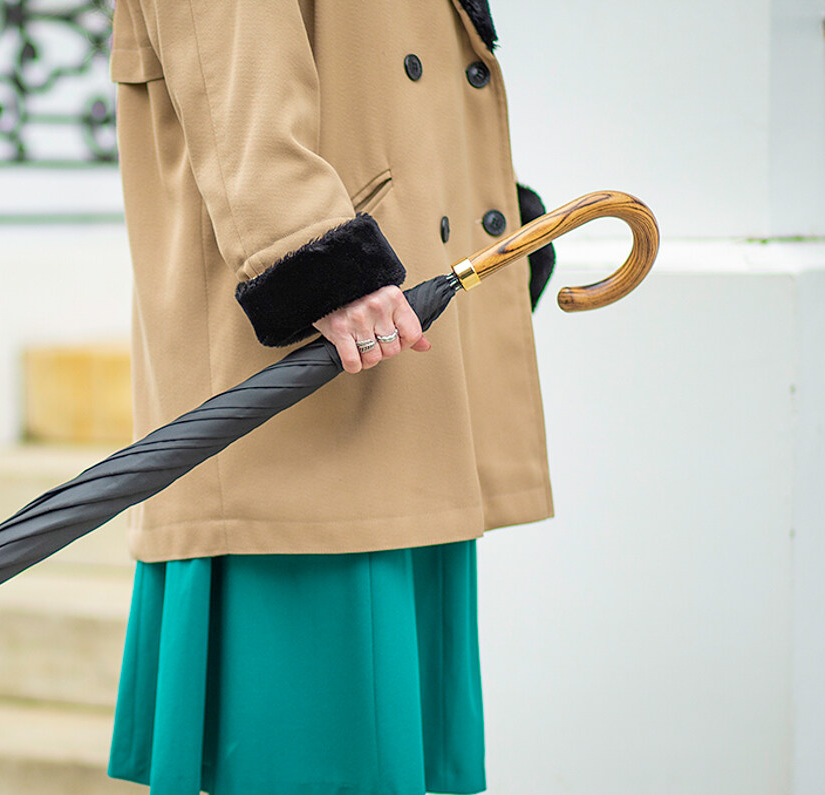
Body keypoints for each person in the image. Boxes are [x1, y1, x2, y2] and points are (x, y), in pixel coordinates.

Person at [105, 1, 555, 792]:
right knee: (319, 749)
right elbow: (227, 51)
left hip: (395, 346)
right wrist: (311, 254)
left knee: (388, 751)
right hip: (319, 370)